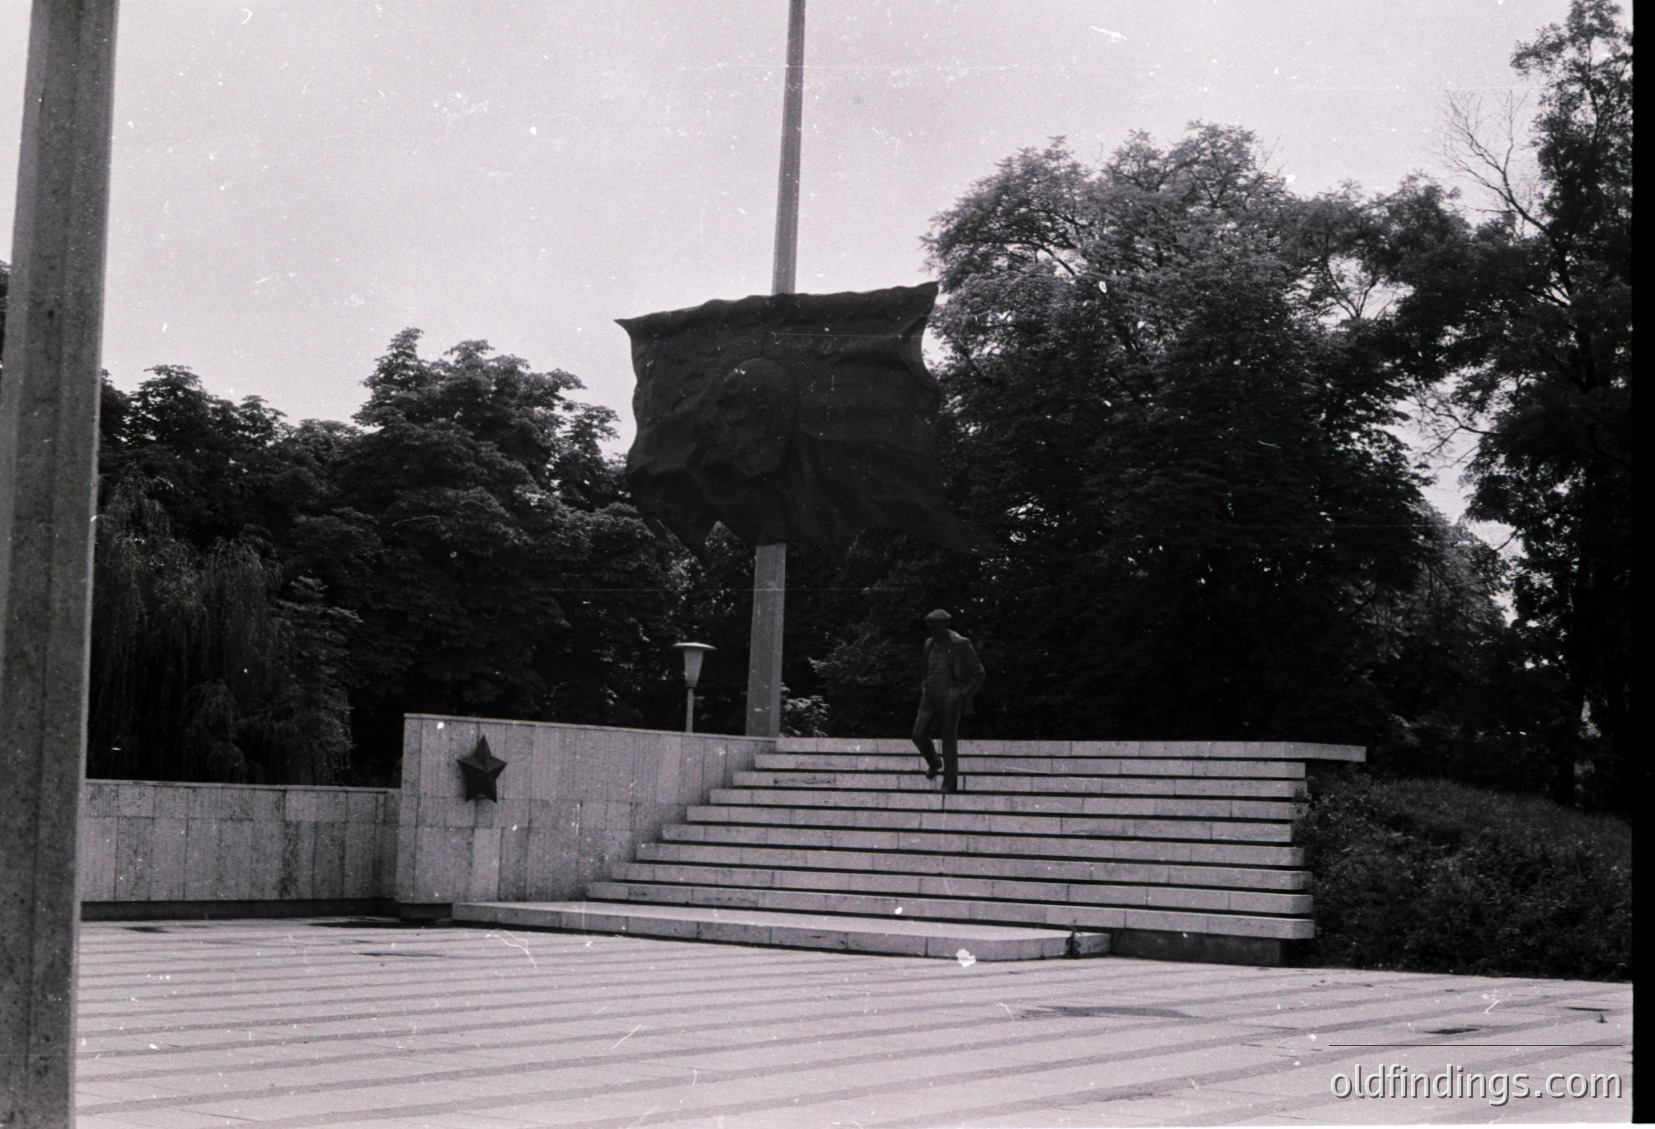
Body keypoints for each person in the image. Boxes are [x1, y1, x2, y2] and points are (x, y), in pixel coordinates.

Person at [911, 609, 984, 794]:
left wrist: (963, 695)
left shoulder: (960, 643)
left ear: (944, 626)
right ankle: (935, 762)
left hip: (950, 697)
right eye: (929, 627)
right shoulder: (929, 643)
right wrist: (925, 688)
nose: (931, 630)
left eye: (934, 627)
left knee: (948, 741)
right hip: (929, 697)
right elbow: (925, 669)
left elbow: (978, 673)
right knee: (918, 735)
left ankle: (949, 783)